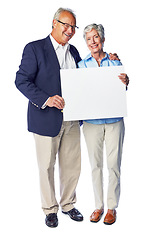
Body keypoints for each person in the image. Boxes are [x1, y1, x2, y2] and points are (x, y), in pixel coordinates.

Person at [15, 8, 83, 228]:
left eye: (73, 26)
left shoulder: (73, 51)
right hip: (45, 118)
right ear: (54, 23)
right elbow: (21, 80)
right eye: (66, 24)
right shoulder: (35, 48)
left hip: (72, 120)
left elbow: (85, 81)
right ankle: (50, 209)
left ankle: (68, 205)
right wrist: (47, 99)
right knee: (46, 167)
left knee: (72, 165)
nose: (69, 30)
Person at [78, 23, 129, 225]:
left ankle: (111, 208)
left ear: (103, 39)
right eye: (89, 39)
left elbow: (120, 92)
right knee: (95, 165)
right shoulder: (81, 66)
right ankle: (98, 206)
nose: (93, 42)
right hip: (92, 122)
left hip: (115, 120)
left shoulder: (115, 63)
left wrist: (126, 82)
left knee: (113, 165)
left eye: (96, 37)